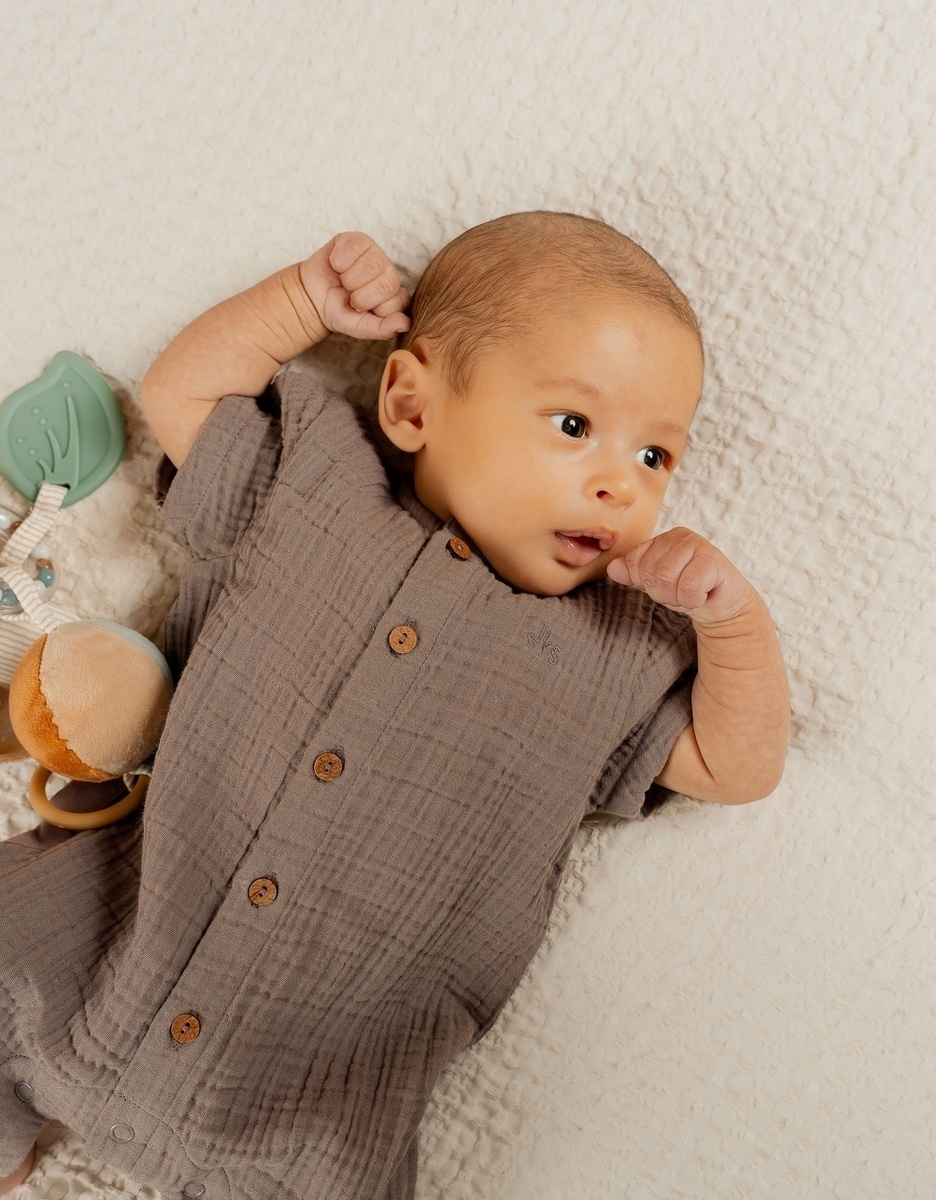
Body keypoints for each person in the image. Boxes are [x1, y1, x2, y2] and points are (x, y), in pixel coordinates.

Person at [0, 212, 789, 1199]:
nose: (617, 485)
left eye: (656, 458)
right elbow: (183, 394)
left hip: (319, 1080)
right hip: (118, 914)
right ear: (412, 404)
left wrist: (733, 625)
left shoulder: (614, 653)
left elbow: (736, 766)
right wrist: (300, 303)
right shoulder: (319, 483)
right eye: (576, 426)